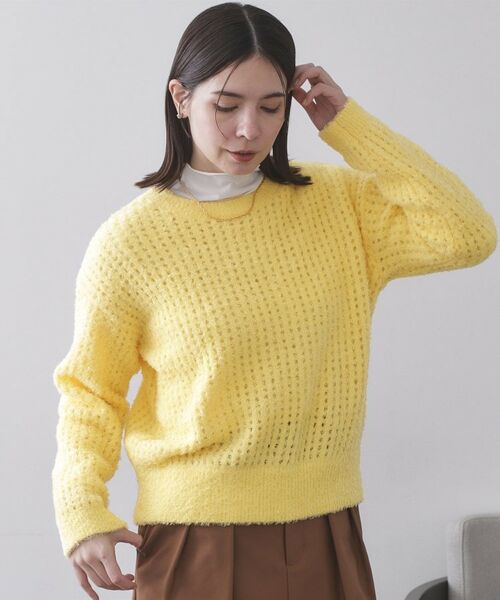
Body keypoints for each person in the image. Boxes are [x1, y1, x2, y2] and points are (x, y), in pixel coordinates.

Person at [51, 3, 497, 600]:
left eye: (270, 106)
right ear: (181, 98)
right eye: (226, 105)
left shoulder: (338, 205)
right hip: (194, 537)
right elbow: (91, 391)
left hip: (326, 526)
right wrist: (82, 512)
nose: (249, 130)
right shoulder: (132, 241)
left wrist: (349, 126)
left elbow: (466, 235)